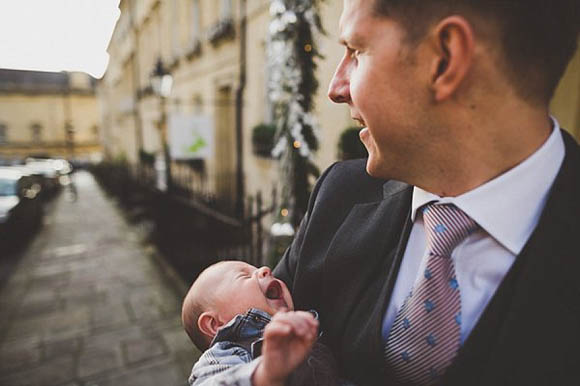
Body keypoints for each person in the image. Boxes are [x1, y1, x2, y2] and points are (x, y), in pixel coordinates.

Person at [273, 0, 580, 385]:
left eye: (357, 50)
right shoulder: (340, 196)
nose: (337, 88)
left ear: (445, 58)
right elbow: (237, 343)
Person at [181, 261, 341, 386]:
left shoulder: (304, 323)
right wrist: (264, 374)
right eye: (244, 275)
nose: (265, 269)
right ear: (215, 324)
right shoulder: (223, 356)